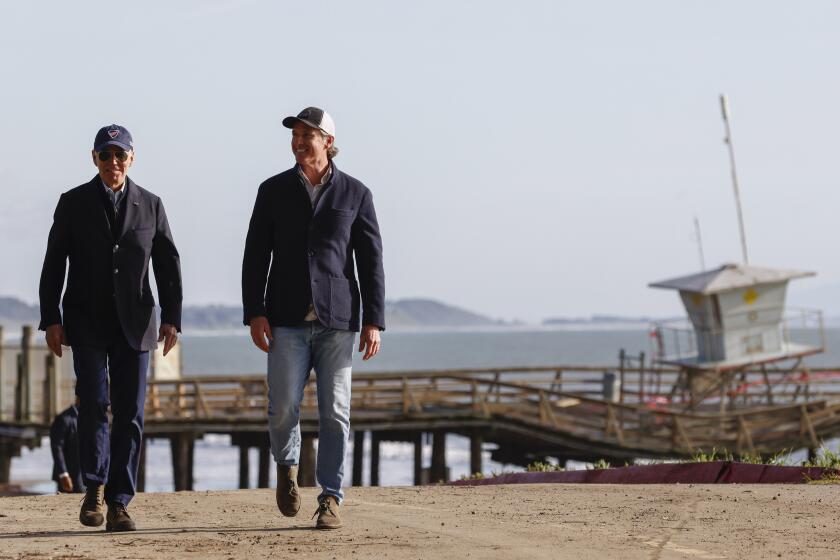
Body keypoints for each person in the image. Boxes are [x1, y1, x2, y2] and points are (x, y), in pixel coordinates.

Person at [242, 107, 385, 529]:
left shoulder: (356, 194)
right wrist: (254, 312)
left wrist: (373, 319)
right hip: (285, 318)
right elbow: (255, 256)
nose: (300, 141)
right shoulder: (272, 190)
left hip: (337, 320)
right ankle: (287, 470)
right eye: (296, 135)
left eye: (309, 134)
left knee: (335, 412)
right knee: (283, 407)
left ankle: (330, 497)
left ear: (328, 141)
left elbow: (371, 262)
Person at [39, 124, 182, 532]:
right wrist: (51, 318)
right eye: (106, 155)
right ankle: (95, 488)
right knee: (94, 404)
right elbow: (54, 262)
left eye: (120, 155)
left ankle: (121, 501)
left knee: (132, 412)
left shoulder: (150, 205)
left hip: (136, 323)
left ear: (132, 158)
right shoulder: (73, 203)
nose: (114, 163)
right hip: (86, 321)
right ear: (94, 158)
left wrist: (172, 317)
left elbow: (168, 264)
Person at [50, 399, 84, 494]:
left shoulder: (89, 418)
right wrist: (63, 474)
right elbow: (57, 448)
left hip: (85, 474)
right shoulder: (63, 419)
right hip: (70, 475)